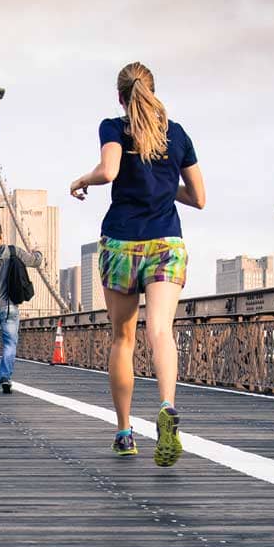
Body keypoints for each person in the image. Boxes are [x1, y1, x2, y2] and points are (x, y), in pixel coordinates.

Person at [70, 62, 206, 465]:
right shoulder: (177, 134)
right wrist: (165, 186)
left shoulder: (113, 126)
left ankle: (125, 432)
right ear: (152, 89)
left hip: (122, 243)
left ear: (120, 96)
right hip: (166, 241)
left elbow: (109, 170)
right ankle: (166, 405)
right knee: (161, 331)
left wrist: (81, 180)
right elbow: (199, 197)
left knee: (123, 340)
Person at [0, 221, 43, 394]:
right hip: (10, 307)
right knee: (10, 343)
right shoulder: (14, 251)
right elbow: (36, 262)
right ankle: (6, 376)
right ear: (1, 235)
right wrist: (37, 252)